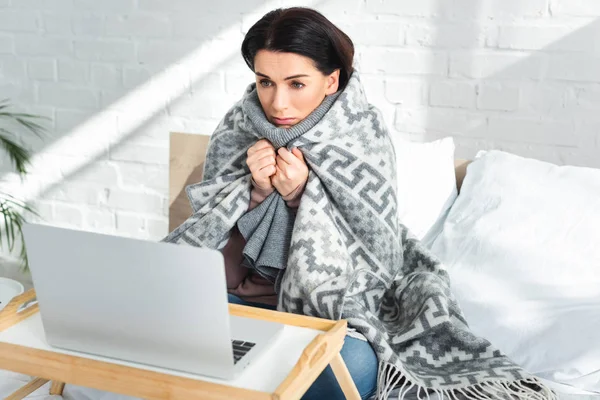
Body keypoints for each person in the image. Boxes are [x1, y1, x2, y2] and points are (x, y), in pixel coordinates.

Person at [221, 7, 378, 400]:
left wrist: (297, 199)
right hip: (240, 305)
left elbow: (370, 262)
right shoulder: (236, 130)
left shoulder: (363, 138)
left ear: (330, 80)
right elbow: (212, 258)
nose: (277, 104)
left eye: (296, 84)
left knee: (350, 368)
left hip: (325, 321)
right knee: (158, 323)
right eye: (265, 82)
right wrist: (255, 193)